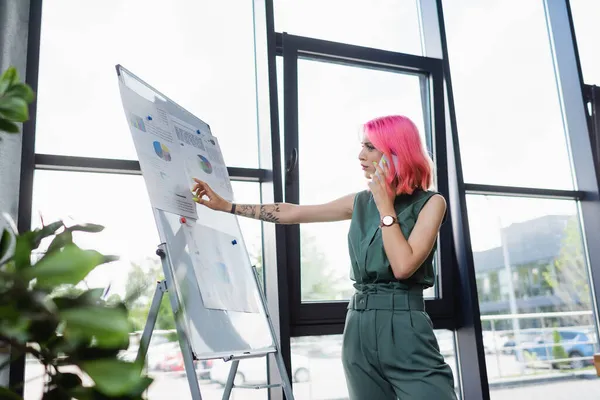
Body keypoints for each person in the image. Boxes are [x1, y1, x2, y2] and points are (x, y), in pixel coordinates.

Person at [191, 115, 457, 400]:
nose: (361, 155)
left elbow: (403, 266)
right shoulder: (360, 201)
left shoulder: (431, 203)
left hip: (406, 326)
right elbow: (292, 212)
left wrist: (385, 205)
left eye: (370, 147)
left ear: (396, 153)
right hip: (358, 326)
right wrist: (228, 206)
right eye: (362, 146)